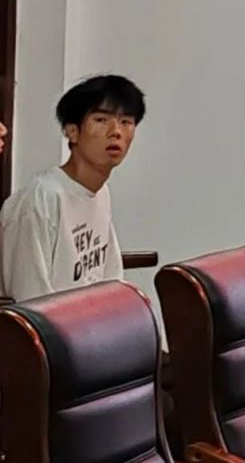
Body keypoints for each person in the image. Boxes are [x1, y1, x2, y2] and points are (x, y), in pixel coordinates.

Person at [1, 76, 144, 302]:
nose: (116, 131)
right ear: (72, 131)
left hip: (92, 320)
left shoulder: (100, 193)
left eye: (126, 122)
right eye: (101, 120)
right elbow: (29, 300)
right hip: (50, 323)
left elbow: (110, 281)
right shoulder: (41, 198)